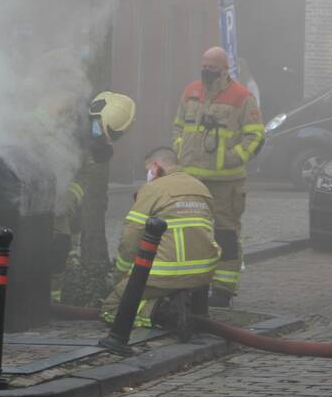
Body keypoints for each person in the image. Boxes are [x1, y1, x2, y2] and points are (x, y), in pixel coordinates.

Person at [172, 46, 263, 308]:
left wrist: (230, 158)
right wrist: (181, 148)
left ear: (225, 69)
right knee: (191, 233)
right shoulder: (190, 92)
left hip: (226, 183)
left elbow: (255, 136)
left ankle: (223, 289)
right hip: (191, 180)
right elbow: (178, 126)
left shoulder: (242, 97)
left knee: (225, 235)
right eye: (204, 65)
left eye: (213, 66)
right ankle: (191, 284)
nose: (207, 70)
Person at [101, 147, 221, 328]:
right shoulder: (201, 187)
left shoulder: (153, 189)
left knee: (111, 308)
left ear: (156, 166)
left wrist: (121, 274)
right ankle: (178, 300)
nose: (147, 175)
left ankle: (164, 313)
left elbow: (131, 237)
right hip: (203, 275)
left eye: (147, 169)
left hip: (163, 275)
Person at [52, 91, 136, 268]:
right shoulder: (60, 114)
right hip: (23, 185)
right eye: (99, 132)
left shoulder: (90, 151)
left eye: (105, 137)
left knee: (59, 245)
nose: (99, 139)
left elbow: (79, 180)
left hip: (53, 205)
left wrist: (64, 204)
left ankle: (53, 295)